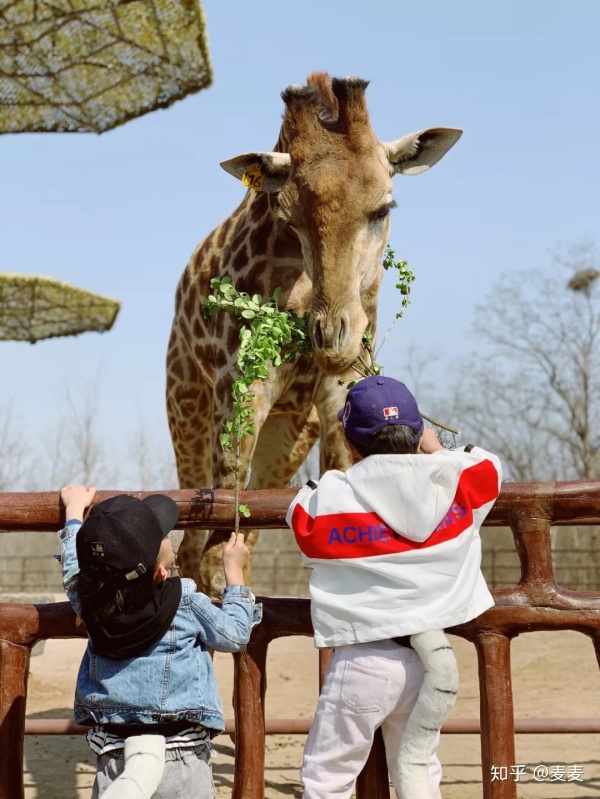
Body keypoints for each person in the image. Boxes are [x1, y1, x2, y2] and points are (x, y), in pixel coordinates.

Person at [286, 376, 502, 799]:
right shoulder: (455, 483)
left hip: (364, 661)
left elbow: (301, 515)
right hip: (431, 660)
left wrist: (332, 478)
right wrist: (438, 451)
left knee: (326, 777)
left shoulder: (334, 499)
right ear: (419, 433)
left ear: (349, 443)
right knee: (420, 770)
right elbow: (487, 467)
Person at [58, 485, 261, 799]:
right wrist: (234, 574)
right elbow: (233, 634)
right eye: (163, 535)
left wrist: (73, 514)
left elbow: (75, 570)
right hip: (181, 756)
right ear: (161, 573)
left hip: (116, 754)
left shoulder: (89, 600)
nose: (168, 535)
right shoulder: (186, 602)